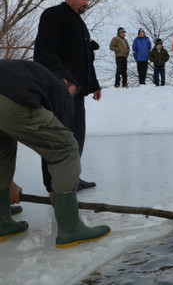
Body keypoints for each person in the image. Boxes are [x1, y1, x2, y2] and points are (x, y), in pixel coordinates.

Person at [0, 59, 110, 247]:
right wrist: (52, 187)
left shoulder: (26, 72)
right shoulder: (58, 86)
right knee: (65, 147)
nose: (72, 96)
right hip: (9, 96)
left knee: (3, 147)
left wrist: (8, 183)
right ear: (66, 81)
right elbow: (55, 147)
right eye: (74, 91)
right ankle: (71, 229)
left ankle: (2, 221)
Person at [34, 0, 101, 192]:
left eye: (88, 0)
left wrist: (95, 84)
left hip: (77, 91)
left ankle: (72, 177)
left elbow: (84, 59)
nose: (86, 3)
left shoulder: (78, 22)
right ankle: (55, 184)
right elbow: (45, 51)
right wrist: (61, 77)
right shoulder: (54, 15)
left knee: (76, 137)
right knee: (58, 137)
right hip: (59, 89)